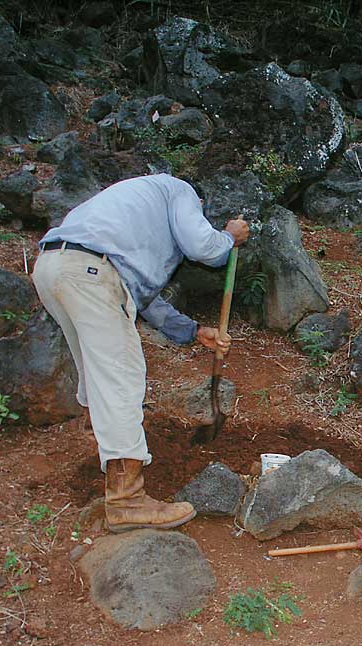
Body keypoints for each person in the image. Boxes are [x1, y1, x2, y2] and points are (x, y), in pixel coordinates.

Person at [31, 174, 250, 533]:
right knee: (121, 378)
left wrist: (194, 331)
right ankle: (126, 500)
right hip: (89, 272)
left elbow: (137, 295)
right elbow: (204, 248)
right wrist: (230, 236)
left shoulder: (127, 211)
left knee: (96, 369)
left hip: (55, 267)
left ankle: (103, 451)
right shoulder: (180, 190)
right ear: (198, 204)